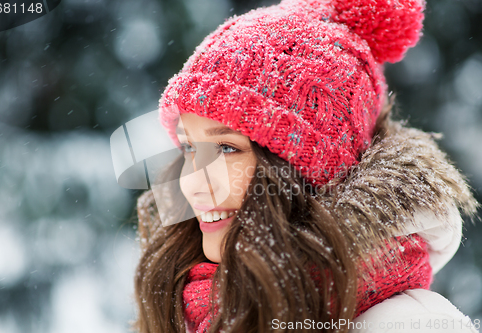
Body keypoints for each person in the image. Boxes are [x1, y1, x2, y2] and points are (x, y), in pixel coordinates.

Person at [133, 0, 480, 332]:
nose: (192, 184)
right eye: (190, 147)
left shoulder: (409, 325)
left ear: (315, 170)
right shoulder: (192, 308)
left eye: (226, 147)